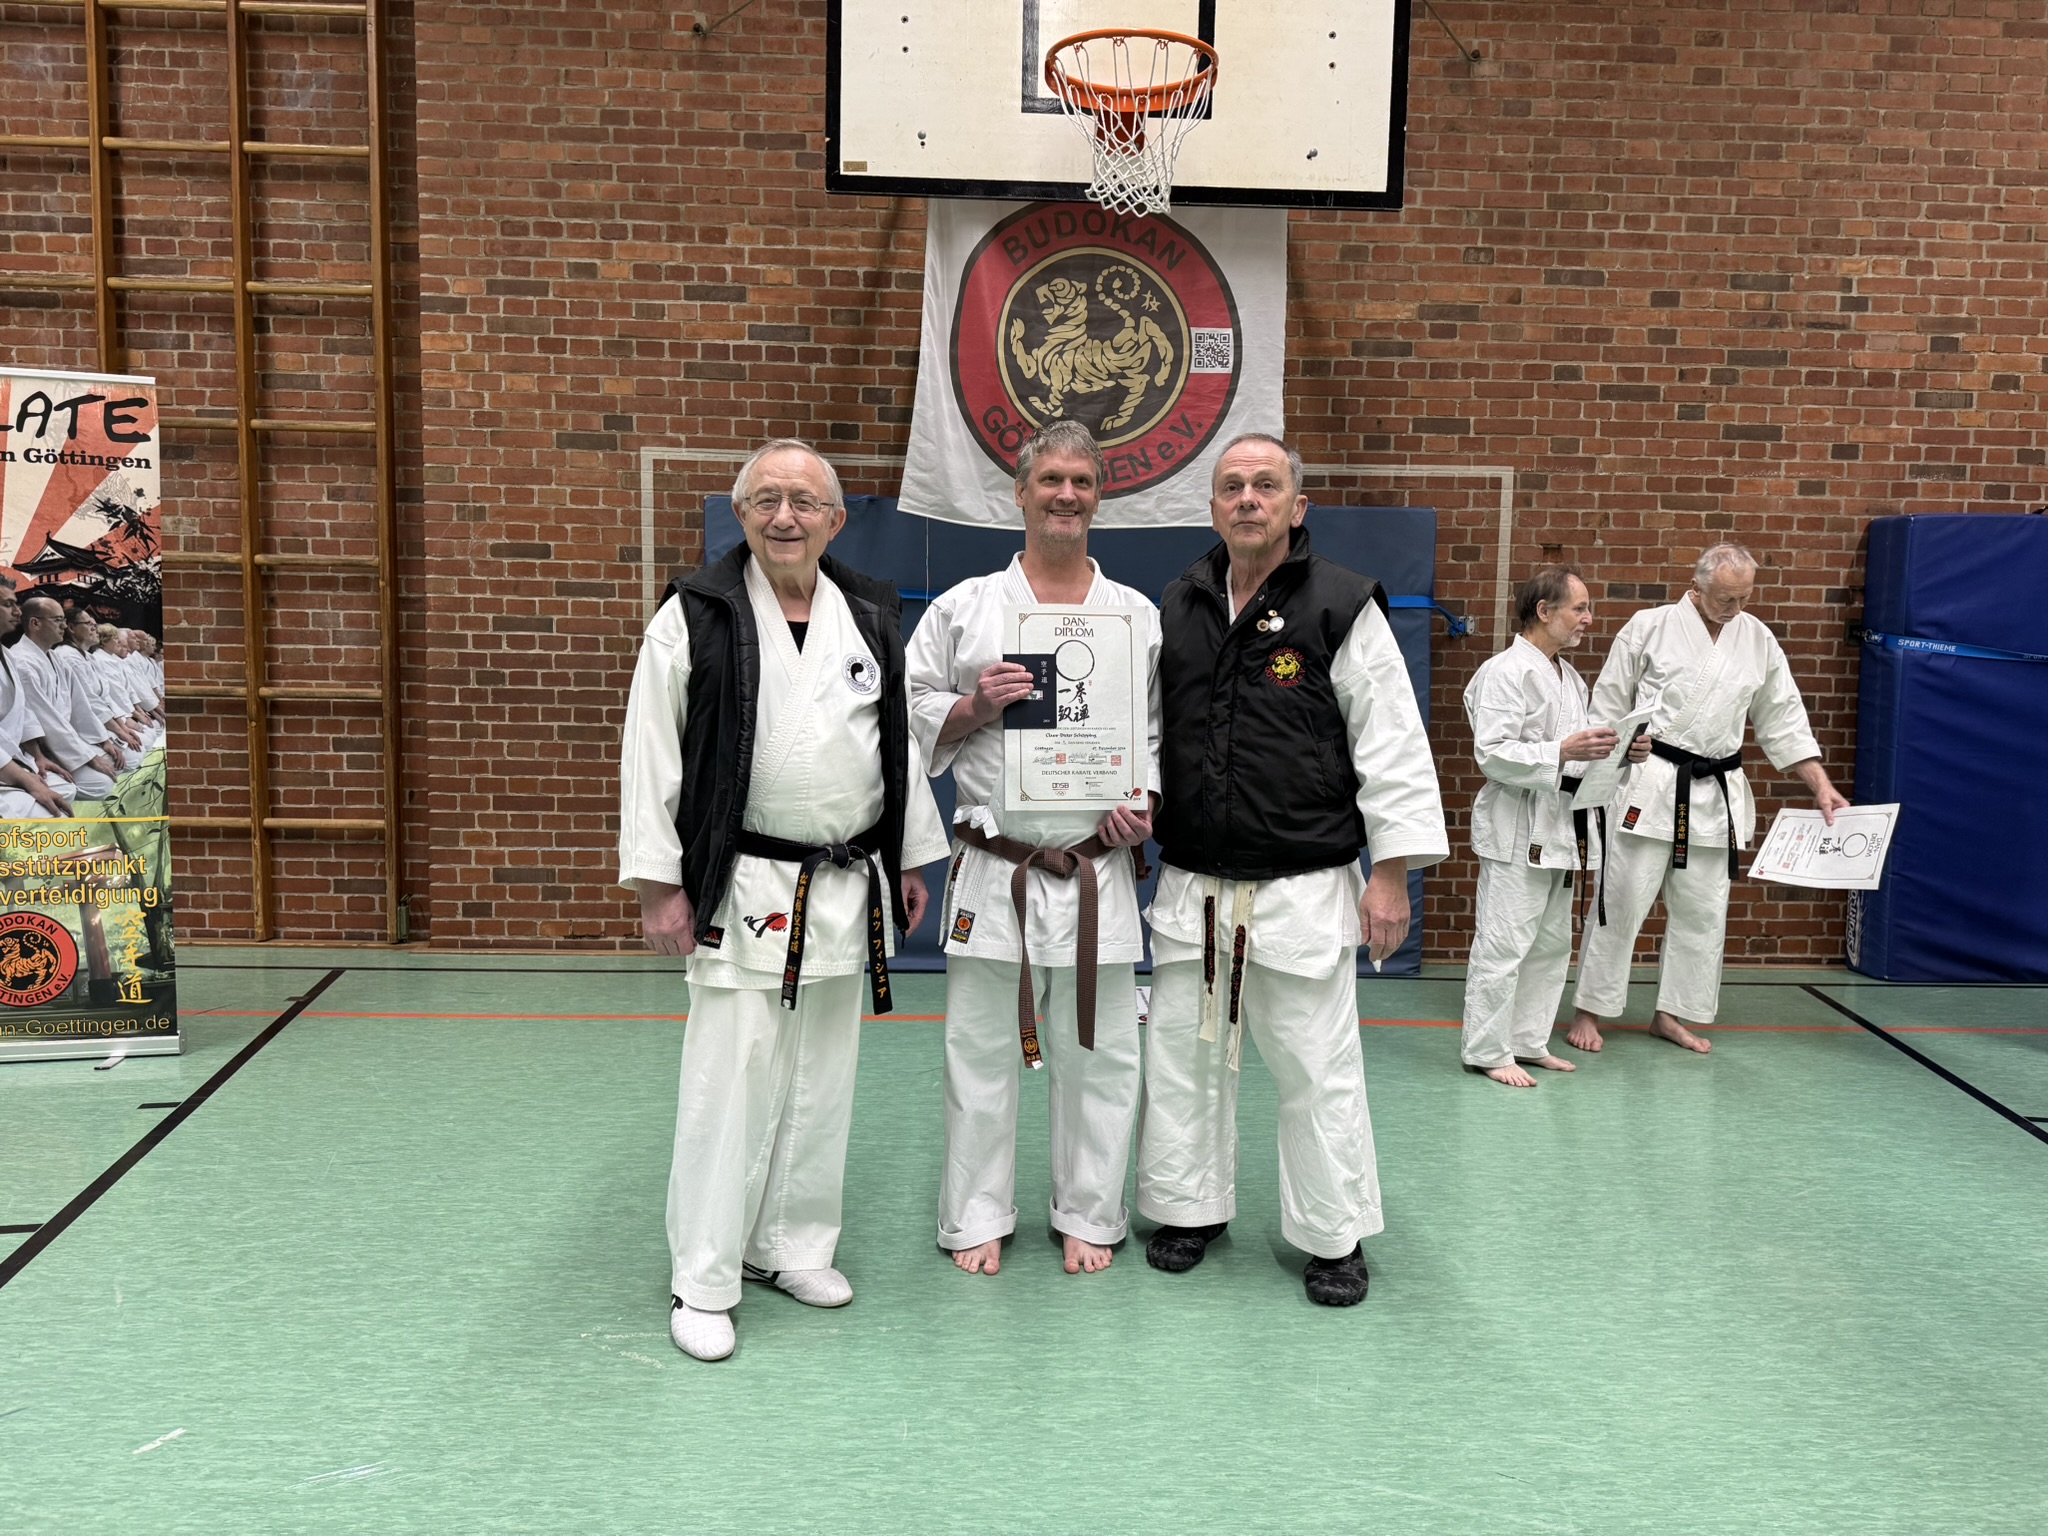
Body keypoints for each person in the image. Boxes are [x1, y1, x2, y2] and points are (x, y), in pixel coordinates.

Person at [618, 438, 949, 1361]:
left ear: (835, 520)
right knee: (729, 1081)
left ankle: (792, 1247)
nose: (785, 517)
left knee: (821, 1075)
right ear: (742, 515)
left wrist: (909, 858)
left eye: (804, 502)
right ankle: (703, 1277)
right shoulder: (696, 614)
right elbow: (651, 752)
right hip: (744, 881)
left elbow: (894, 748)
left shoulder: (869, 612)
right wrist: (659, 884)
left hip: (844, 881)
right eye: (765, 499)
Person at [1136, 433, 1448, 1307]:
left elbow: (1392, 744)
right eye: (1232, 486)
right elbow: (1153, 733)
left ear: (1296, 506)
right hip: (1195, 881)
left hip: (1303, 881)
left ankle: (1332, 1234)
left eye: (1265, 485)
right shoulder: (1179, 602)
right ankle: (1188, 1209)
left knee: (1316, 1068)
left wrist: (1391, 874)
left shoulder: (1341, 603)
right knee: (1186, 1060)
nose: (1248, 499)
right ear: (1212, 507)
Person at [906, 420, 1161, 1279]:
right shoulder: (964, 608)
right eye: (1050, 479)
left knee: (1100, 1053)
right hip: (997, 865)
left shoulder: (1135, 617)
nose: (1066, 495)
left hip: (1096, 868)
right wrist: (973, 708)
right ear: (1020, 493)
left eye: (1082, 482)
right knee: (981, 1051)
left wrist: (1145, 803)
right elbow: (910, 707)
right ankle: (977, 1212)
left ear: (1099, 496)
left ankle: (1088, 1212)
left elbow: (1156, 737)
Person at [1566, 543, 1849, 1055]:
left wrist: (1822, 786)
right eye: (1725, 599)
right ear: (1695, 589)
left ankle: (1671, 1014)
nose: (1736, 608)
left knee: (1703, 913)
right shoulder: (1648, 627)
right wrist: (1611, 761)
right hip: (1650, 783)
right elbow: (1607, 706)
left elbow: (1783, 717)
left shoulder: (1757, 639)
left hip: (1715, 793)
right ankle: (1590, 1008)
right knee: (1620, 902)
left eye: (1744, 598)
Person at [1459, 566, 1650, 1087]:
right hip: (1517, 826)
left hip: (1562, 827)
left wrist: (1624, 754)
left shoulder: (1568, 677)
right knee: (1503, 945)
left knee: (1549, 946)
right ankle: (1487, 1050)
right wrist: (1561, 750)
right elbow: (1492, 753)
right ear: (1544, 611)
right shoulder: (1505, 672)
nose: (1589, 618)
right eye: (1579, 608)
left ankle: (1527, 1040)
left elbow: (1580, 760)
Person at [12, 594, 121, 798]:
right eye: (58, 620)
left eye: (63, 619)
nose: (64, 626)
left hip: (63, 740)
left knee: (114, 761)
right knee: (101, 783)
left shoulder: (54, 657)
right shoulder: (22, 661)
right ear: (35, 623)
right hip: (39, 746)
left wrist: (103, 739)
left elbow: (80, 705)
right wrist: (88, 757)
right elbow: (46, 718)